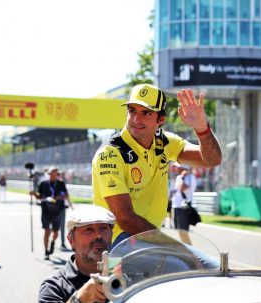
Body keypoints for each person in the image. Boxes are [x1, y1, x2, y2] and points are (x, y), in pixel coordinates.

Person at [92, 84, 222, 245]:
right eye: (132, 110)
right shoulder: (109, 154)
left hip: (147, 238)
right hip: (115, 241)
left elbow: (211, 160)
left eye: (146, 113)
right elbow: (125, 219)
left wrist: (202, 129)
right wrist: (169, 245)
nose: (136, 120)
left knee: (209, 267)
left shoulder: (165, 141)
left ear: (160, 119)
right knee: (189, 265)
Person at [38, 205, 115, 303]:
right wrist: (80, 299)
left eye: (104, 228)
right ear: (70, 240)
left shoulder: (128, 272)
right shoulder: (54, 286)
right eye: (88, 230)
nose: (98, 236)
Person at [31, 166, 69, 259]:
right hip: (46, 210)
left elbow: (66, 195)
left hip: (57, 210)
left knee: (56, 232)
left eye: (55, 172)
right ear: (49, 173)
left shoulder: (60, 183)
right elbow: (39, 196)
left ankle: (52, 242)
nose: (53, 173)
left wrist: (58, 197)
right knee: (47, 230)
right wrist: (34, 194)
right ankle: (46, 252)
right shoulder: (43, 183)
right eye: (52, 172)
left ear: (57, 173)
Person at [171, 163, 197, 243]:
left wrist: (183, 177)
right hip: (176, 206)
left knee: (183, 231)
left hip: (184, 208)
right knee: (178, 230)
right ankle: (184, 250)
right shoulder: (178, 177)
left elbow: (182, 188)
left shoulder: (190, 177)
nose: (176, 169)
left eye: (178, 167)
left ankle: (188, 251)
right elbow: (176, 191)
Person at [57, 171, 73, 250]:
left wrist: (71, 207)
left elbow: (67, 195)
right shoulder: (48, 184)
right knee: (52, 228)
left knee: (63, 226)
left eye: (59, 176)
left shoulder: (62, 184)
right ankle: (51, 242)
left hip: (61, 208)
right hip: (51, 210)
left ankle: (62, 243)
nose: (59, 177)